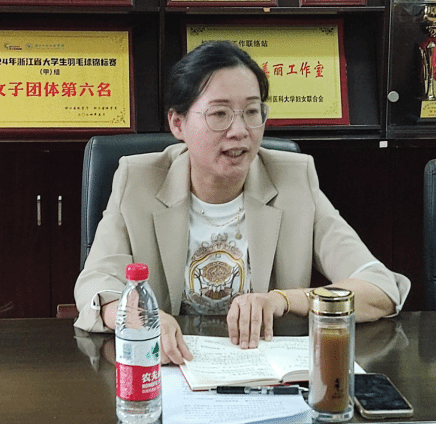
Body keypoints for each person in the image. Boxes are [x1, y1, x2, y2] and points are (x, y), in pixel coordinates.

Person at [74, 40, 410, 366]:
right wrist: (138, 316)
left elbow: (379, 288)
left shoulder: (293, 181)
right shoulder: (138, 181)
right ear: (178, 123)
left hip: (264, 370)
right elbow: (95, 284)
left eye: (251, 112)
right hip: (172, 368)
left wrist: (282, 300)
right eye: (219, 114)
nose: (239, 130)